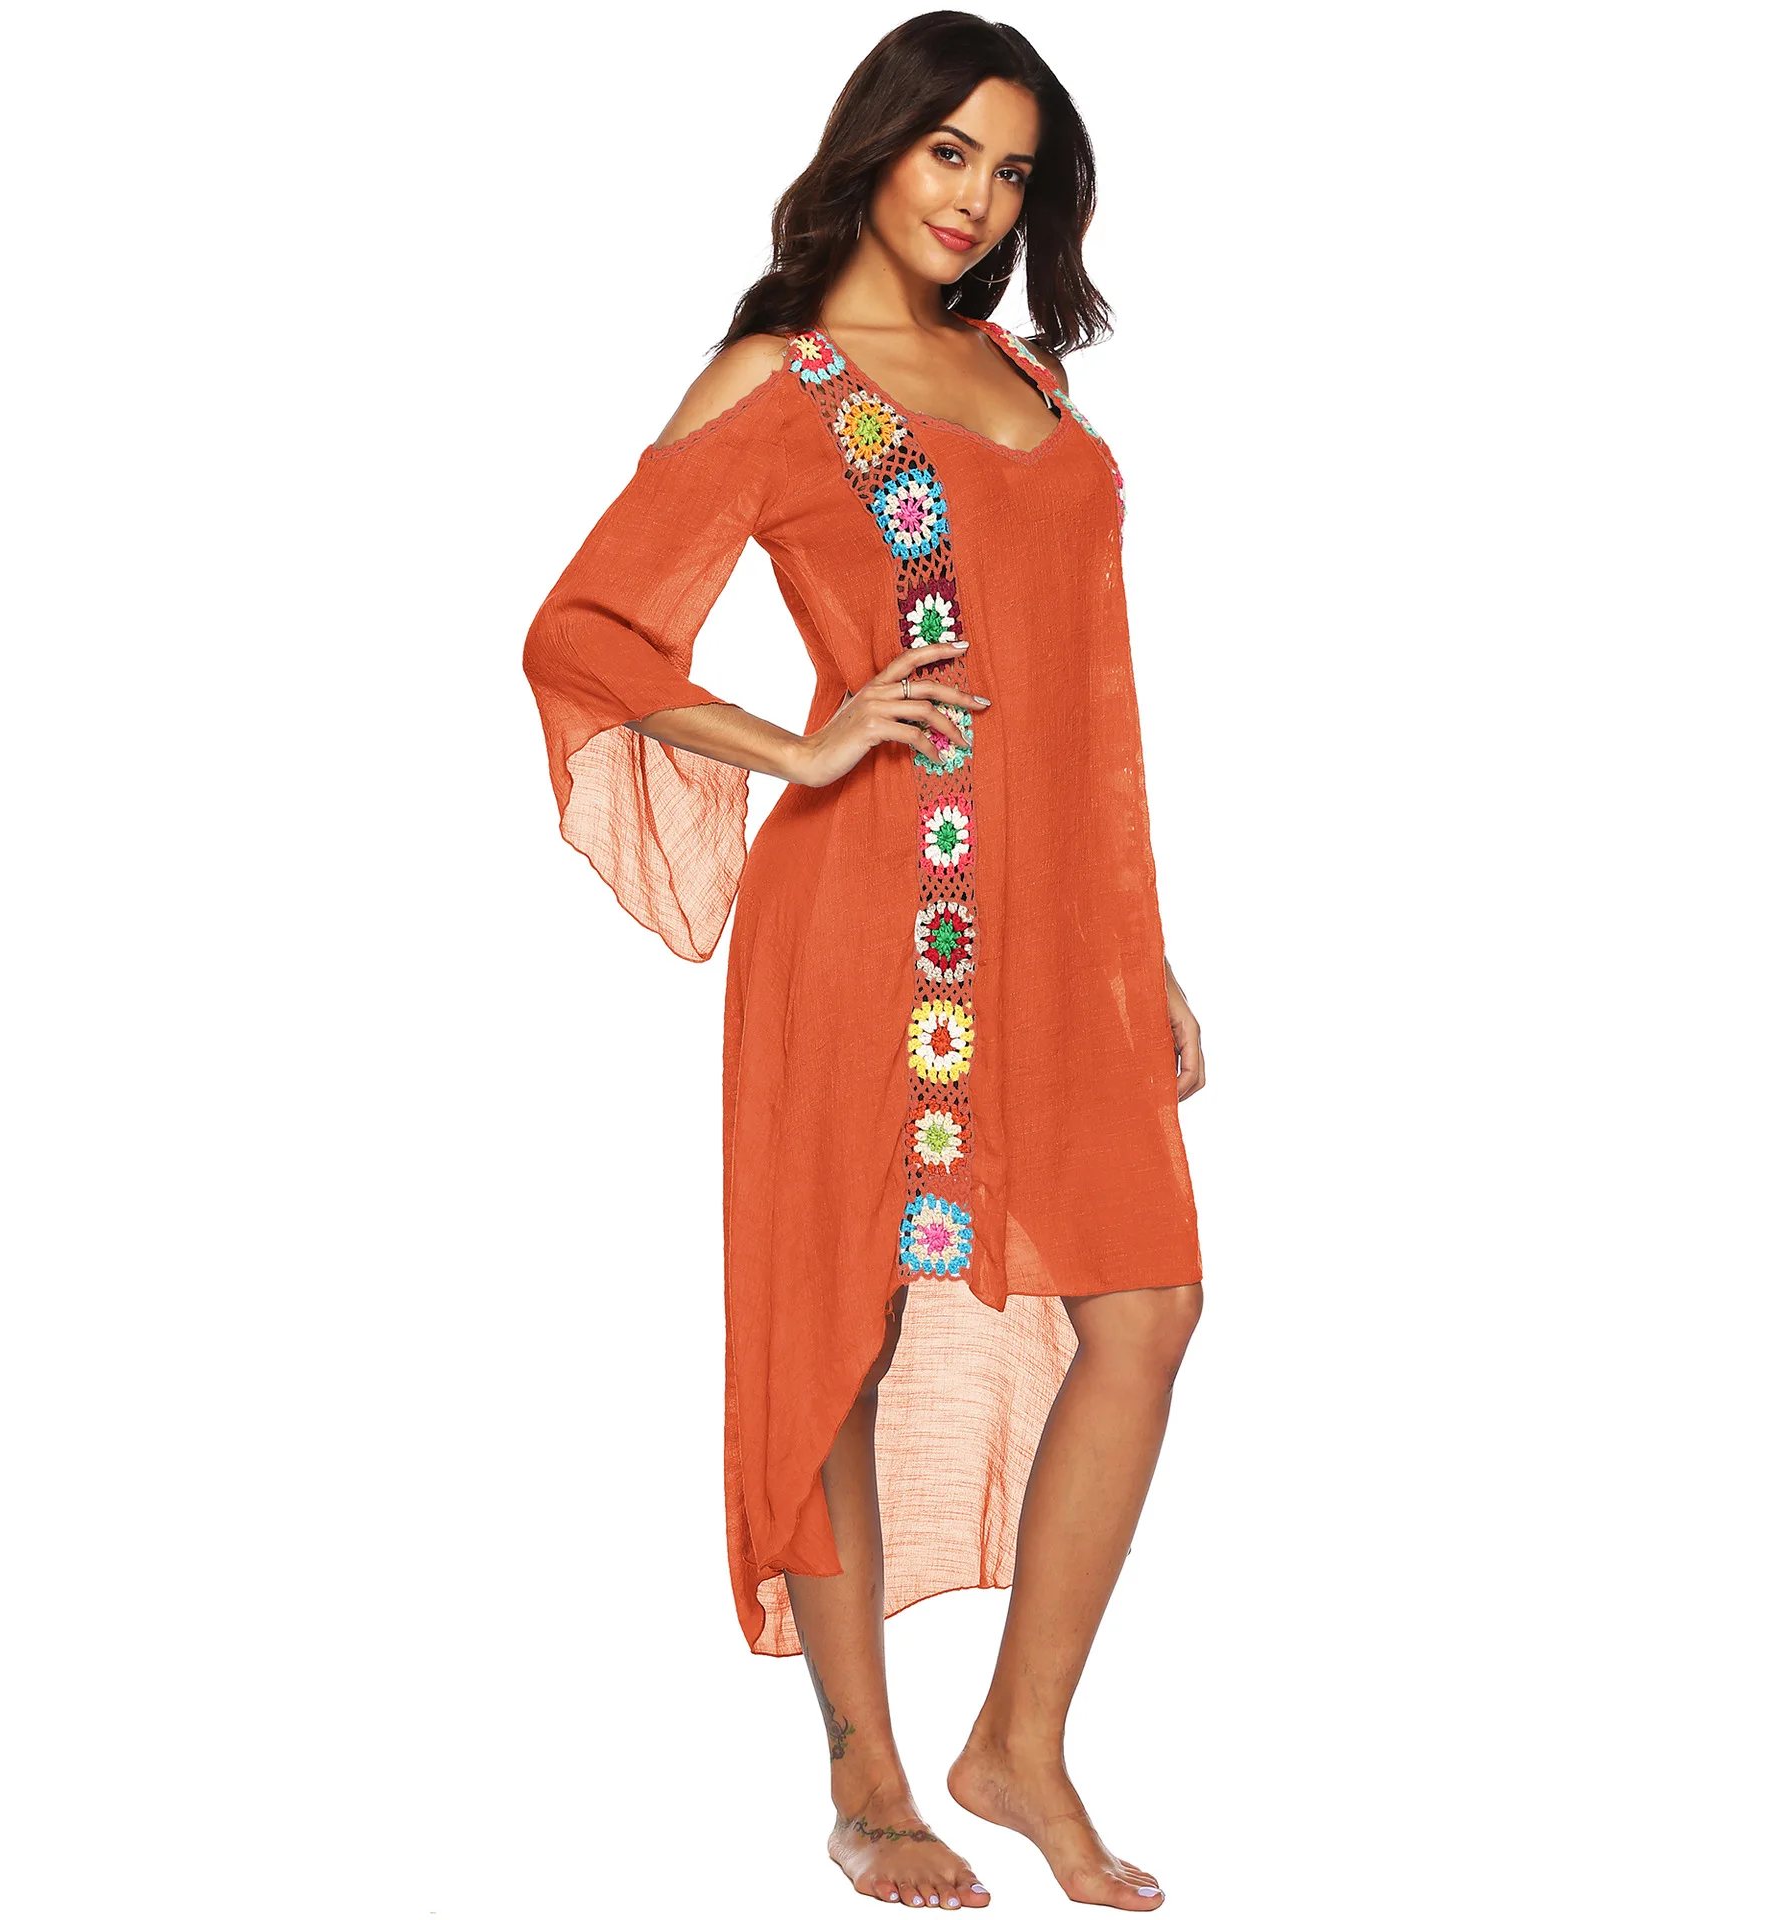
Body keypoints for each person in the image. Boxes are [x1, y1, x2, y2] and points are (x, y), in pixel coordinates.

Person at [522, 12, 1206, 1910]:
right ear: (877, 147)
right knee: (852, 1319)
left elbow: (1088, 703)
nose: (978, 198)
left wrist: (1142, 950)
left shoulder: (1026, 378)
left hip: (1060, 931)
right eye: (949, 152)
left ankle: (1020, 1745)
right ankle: (870, 1780)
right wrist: (804, 745)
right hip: (875, 917)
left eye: (1013, 172)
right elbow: (585, 632)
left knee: (1147, 1306)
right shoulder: (784, 381)